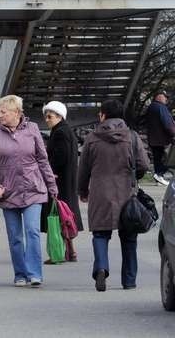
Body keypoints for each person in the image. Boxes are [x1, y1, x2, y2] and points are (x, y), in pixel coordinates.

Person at [77, 99, 149, 292]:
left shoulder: (92, 138)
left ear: (103, 115)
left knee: (100, 234)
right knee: (129, 238)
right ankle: (129, 280)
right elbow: (143, 165)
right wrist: (133, 176)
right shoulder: (132, 137)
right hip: (127, 194)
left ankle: (101, 268)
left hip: (100, 193)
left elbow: (83, 170)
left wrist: (83, 191)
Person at [0, 95, 58, 288]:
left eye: (4, 112)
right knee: (15, 236)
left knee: (32, 231)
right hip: (8, 192)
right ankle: (20, 273)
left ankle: (35, 273)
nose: (0, 115)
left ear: (16, 112)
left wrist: (51, 185)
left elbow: (43, 159)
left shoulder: (32, 129)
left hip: (33, 188)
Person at [41, 101, 83, 263]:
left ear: (59, 116)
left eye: (50, 116)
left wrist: (50, 171)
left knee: (57, 216)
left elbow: (60, 156)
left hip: (60, 180)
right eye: (46, 116)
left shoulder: (60, 133)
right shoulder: (64, 130)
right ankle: (70, 251)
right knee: (64, 215)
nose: (47, 119)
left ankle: (58, 252)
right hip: (67, 180)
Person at [145, 90, 175, 186]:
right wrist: (173, 133)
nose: (166, 99)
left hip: (154, 139)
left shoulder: (151, 107)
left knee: (158, 158)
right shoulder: (160, 107)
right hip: (162, 139)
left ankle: (159, 176)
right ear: (158, 96)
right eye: (164, 96)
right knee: (166, 159)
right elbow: (167, 124)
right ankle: (159, 174)